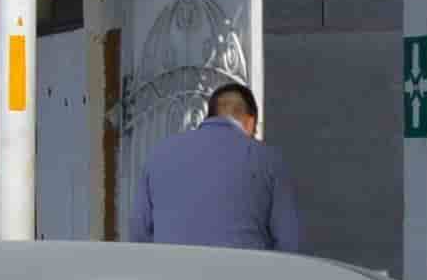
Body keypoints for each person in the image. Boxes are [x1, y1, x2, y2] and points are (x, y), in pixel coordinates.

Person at [128, 80, 308, 251]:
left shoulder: (158, 155)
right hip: (244, 277)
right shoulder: (268, 159)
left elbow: (138, 233)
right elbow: (290, 242)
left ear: (209, 115)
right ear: (251, 121)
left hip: (172, 277)